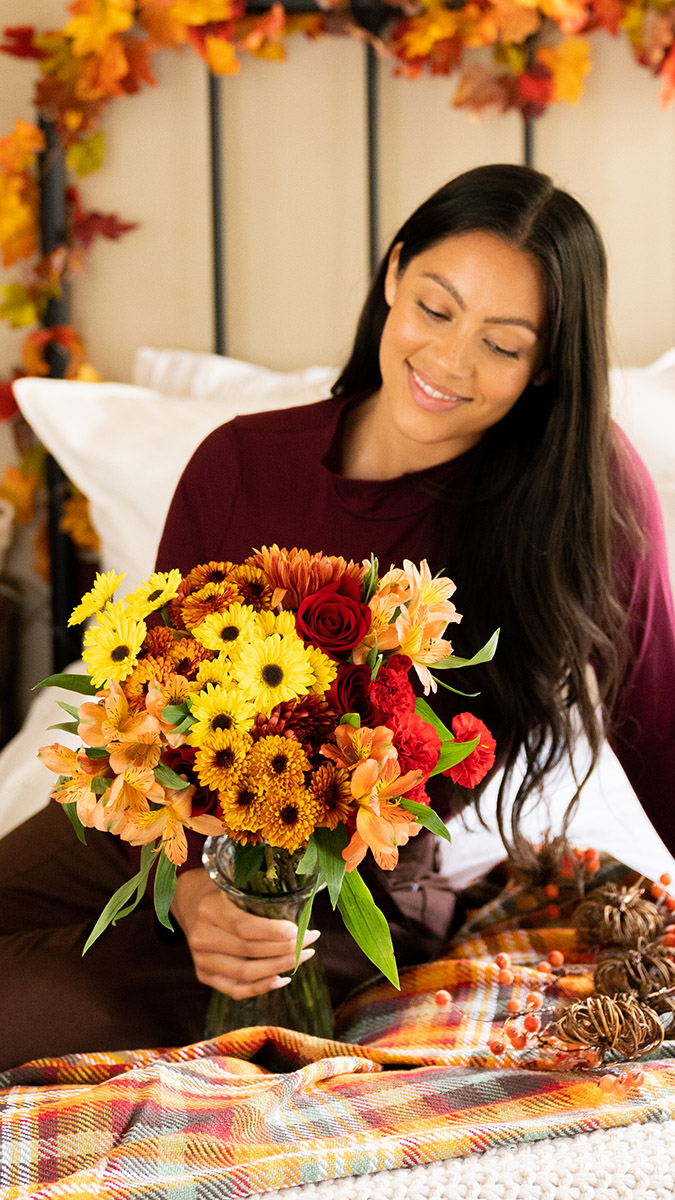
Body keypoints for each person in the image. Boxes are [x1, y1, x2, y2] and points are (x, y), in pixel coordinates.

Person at [0, 163, 673, 1067]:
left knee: (43, 1008)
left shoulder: (583, 496)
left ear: (547, 362)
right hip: (150, 837)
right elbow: (145, 711)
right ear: (393, 275)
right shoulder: (236, 464)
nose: (449, 361)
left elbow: (660, 725)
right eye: (436, 308)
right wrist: (189, 885)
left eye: (502, 344)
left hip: (337, 889)